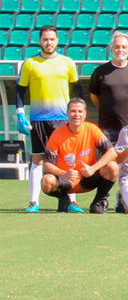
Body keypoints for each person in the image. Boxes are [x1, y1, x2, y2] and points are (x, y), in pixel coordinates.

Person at [17, 25, 83, 212]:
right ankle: (33, 203)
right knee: (37, 160)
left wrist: (79, 111)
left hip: (63, 119)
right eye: (45, 39)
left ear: (57, 41)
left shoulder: (67, 62)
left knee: (68, 160)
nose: (49, 42)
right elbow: (20, 90)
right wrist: (20, 112)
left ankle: (71, 201)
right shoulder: (30, 63)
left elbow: (77, 89)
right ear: (40, 41)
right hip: (38, 119)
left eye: (52, 39)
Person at [40, 99, 118, 213]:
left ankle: (97, 203)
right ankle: (64, 199)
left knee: (113, 167)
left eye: (80, 111)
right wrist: (64, 174)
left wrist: (93, 168)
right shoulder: (57, 134)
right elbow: (46, 165)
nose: (77, 114)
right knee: (46, 181)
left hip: (87, 179)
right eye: (73, 111)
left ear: (85, 114)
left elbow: (112, 152)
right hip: (66, 181)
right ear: (67, 113)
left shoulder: (92, 129)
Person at [89, 31, 128, 143]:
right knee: (107, 159)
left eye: (124, 47)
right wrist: (107, 109)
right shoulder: (100, 72)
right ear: (111, 49)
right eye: (117, 47)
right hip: (106, 128)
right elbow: (93, 96)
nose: (120, 50)